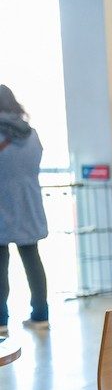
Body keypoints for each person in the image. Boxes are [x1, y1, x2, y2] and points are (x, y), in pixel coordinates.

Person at [0, 85, 50, 336]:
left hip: (2, 207)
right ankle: (41, 315)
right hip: (28, 204)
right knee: (33, 260)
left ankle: (1, 322)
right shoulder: (32, 135)